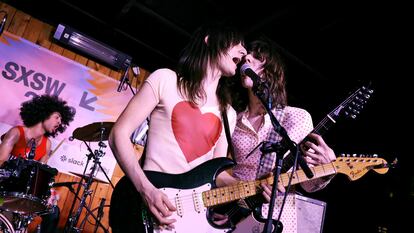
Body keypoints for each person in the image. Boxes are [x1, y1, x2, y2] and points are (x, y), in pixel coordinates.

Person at [108, 23, 247, 232]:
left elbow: (217, 173)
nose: (244, 52)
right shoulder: (165, 79)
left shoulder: (228, 113)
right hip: (144, 203)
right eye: (237, 43)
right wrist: (146, 190)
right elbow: (118, 134)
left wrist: (252, 188)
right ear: (209, 40)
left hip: (186, 218)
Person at [227, 38, 336, 233]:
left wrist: (326, 171)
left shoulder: (296, 118)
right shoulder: (231, 119)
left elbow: (308, 185)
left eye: (257, 57)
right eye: (246, 56)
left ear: (271, 71)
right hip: (236, 215)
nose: (247, 58)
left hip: (280, 217)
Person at [0, 94, 75, 233]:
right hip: (5, 191)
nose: (59, 122)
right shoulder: (16, 132)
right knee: (8, 215)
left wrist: (48, 192)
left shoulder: (47, 144)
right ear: (44, 113)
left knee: (53, 212)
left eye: (61, 120)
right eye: (57, 117)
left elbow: (40, 176)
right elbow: (0, 162)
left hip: (26, 195)